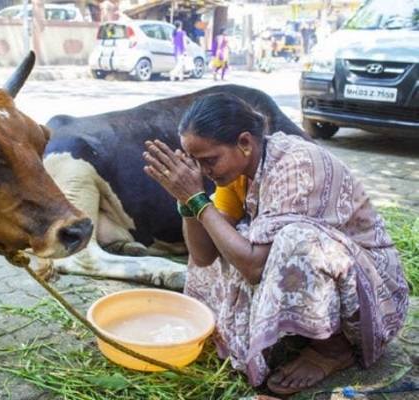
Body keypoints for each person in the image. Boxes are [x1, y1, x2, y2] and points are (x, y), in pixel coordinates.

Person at [142, 93, 409, 395]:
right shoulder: (235, 174)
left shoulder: (298, 164)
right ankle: (300, 333)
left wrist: (198, 200)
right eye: (196, 163)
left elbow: (254, 267)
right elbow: (204, 258)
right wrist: (186, 203)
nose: (203, 171)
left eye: (209, 160)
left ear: (245, 142)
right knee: (222, 233)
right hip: (333, 278)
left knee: (295, 241)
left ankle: (334, 349)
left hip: (372, 287)